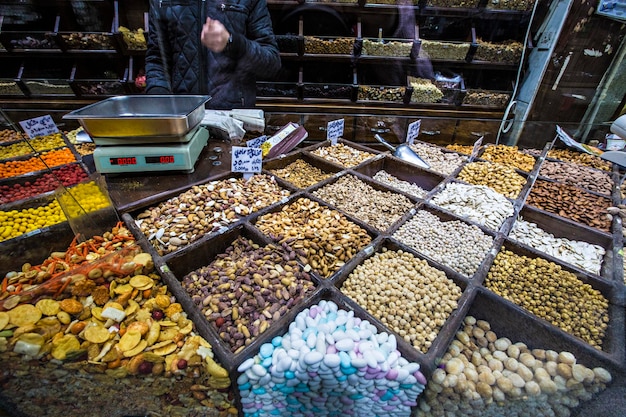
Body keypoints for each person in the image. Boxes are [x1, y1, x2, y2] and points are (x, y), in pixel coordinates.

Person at [145, 0, 282, 109]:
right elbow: (157, 58)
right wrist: (158, 99)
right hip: (184, 119)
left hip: (234, 122)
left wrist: (233, 43)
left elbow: (271, 63)